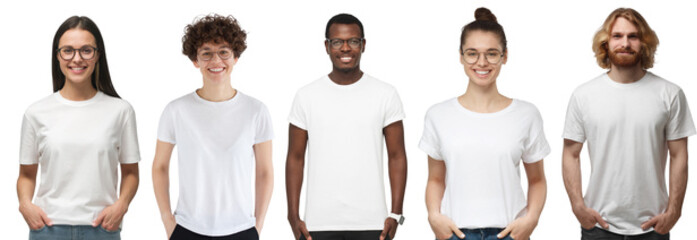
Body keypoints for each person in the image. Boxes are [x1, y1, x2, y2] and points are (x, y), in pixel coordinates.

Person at [563, 7, 695, 240]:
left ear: (644, 43)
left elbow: (679, 155)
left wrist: (674, 211)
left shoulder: (670, 94)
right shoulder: (583, 95)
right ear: (606, 42)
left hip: (653, 225)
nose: (625, 43)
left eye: (633, 36)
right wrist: (578, 206)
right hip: (598, 226)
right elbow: (571, 153)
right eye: (617, 36)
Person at [422, 7, 549, 240]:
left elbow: (537, 180)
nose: (482, 62)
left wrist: (531, 220)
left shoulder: (526, 114)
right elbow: (436, 179)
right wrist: (434, 217)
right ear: (460, 56)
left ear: (505, 56)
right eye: (472, 53)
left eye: (491, 53)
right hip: (455, 233)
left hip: (509, 233)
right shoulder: (438, 115)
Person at [285, 13, 407, 240]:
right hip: (318, 225)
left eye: (353, 41)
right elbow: (295, 157)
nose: (345, 48)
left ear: (363, 45)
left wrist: (396, 213)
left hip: (373, 224)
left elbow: (397, 155)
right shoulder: (306, 96)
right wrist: (293, 216)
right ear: (327, 46)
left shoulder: (385, 94)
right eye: (337, 42)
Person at [152, 14, 273, 240]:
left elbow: (265, 171)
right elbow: (159, 166)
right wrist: (168, 220)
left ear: (235, 57)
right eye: (206, 53)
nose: (216, 61)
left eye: (224, 52)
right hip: (187, 228)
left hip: (242, 229)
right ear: (195, 60)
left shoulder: (256, 111)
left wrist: (259, 223)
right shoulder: (176, 110)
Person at [19, 16, 140, 240]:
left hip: (102, 228)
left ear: (97, 55)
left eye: (86, 50)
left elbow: (131, 172)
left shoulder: (121, 111)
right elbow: (26, 174)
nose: (77, 59)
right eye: (68, 50)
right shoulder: (36, 113)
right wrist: (25, 204)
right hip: (48, 228)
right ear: (57, 56)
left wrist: (122, 205)